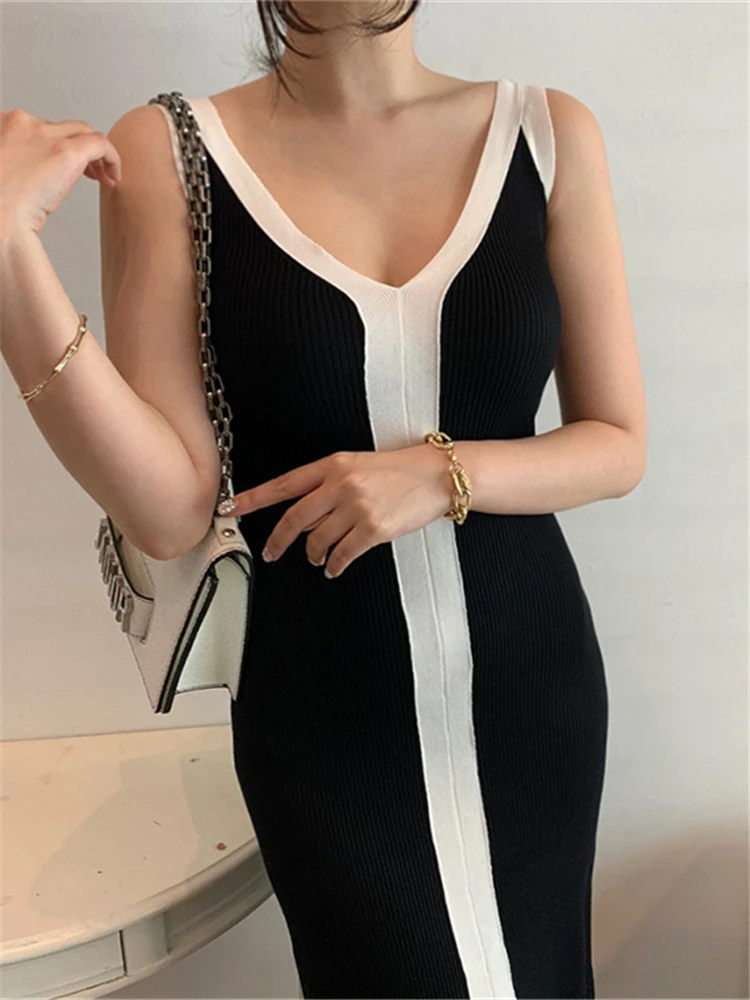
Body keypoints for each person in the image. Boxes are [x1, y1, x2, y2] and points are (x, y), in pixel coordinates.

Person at [0, 1, 647, 997]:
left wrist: (439, 472)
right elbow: (169, 512)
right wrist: (10, 255)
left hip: (531, 689)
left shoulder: (547, 132)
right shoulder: (169, 151)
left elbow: (616, 442)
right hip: (324, 716)